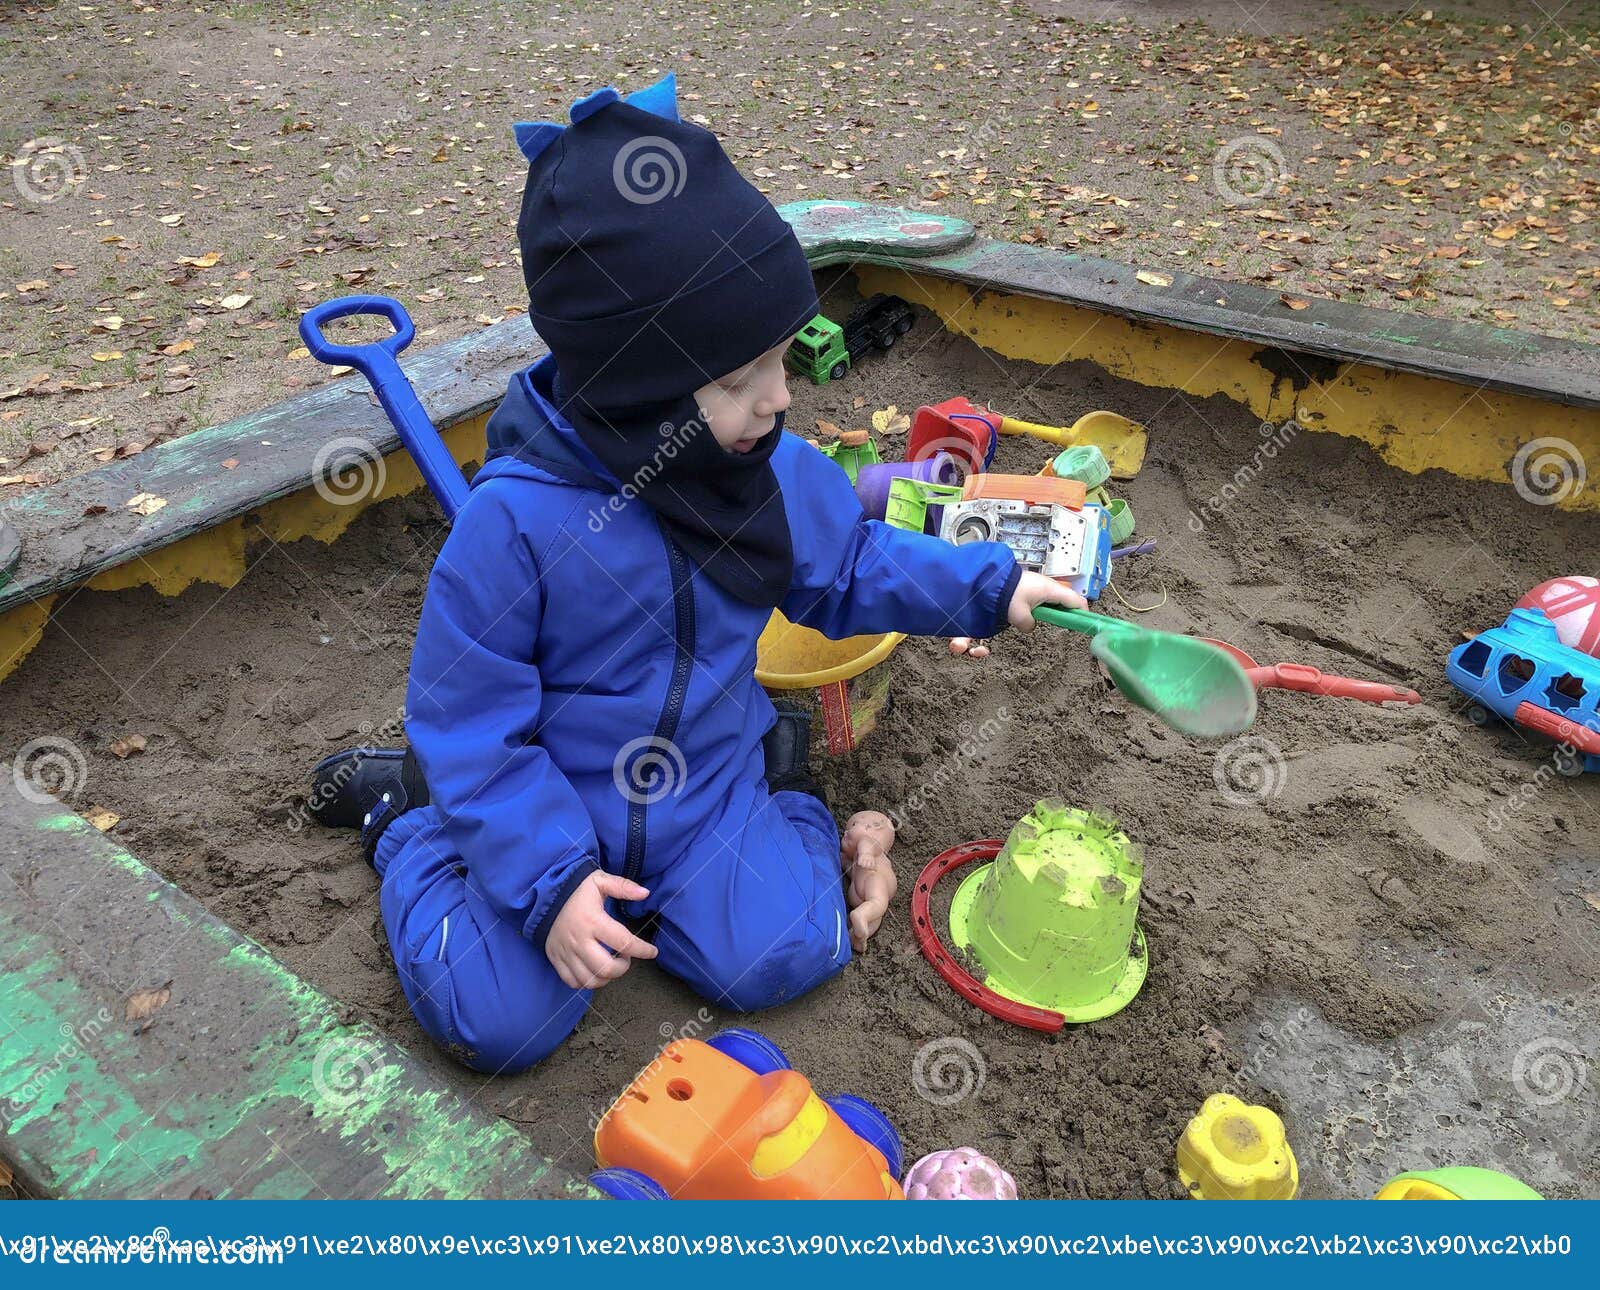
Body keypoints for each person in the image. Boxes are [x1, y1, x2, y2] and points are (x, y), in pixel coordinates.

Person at [308, 74, 1083, 1073]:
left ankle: (784, 781)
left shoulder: (765, 469)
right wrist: (548, 887)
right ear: (633, 386)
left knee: (789, 953)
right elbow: (470, 723)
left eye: (778, 361)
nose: (778, 401)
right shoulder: (513, 527)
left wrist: (989, 585)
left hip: (702, 795)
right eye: (735, 380)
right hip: (554, 810)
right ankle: (410, 829)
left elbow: (850, 565)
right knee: (503, 1024)